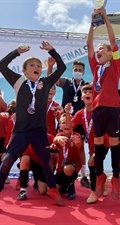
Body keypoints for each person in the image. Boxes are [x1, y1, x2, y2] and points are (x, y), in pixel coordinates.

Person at [0, 41, 67, 214]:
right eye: (32, 65)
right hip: (21, 132)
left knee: (46, 161)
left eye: (38, 65)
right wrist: (17, 51)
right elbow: (1, 65)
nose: (36, 66)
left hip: (39, 132)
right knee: (7, 162)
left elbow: (61, 67)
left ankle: (53, 191)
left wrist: (52, 50)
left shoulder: (45, 83)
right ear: (24, 70)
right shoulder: (17, 81)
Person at [87, 6, 120, 200]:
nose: (99, 51)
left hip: (111, 108)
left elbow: (113, 40)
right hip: (97, 110)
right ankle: (100, 176)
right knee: (98, 144)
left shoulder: (115, 64)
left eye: (103, 49)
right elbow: (89, 44)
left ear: (110, 53)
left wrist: (105, 18)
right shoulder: (95, 68)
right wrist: (92, 24)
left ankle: (116, 178)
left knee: (115, 143)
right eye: (98, 49)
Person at [49, 58, 90, 188]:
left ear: (83, 72)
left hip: (79, 121)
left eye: (80, 70)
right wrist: (50, 66)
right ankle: (56, 174)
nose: (77, 72)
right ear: (72, 70)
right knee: (58, 146)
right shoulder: (66, 82)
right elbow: (52, 79)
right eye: (75, 70)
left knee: (80, 148)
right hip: (64, 120)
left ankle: (83, 176)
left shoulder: (86, 85)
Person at [17, 133, 56, 200]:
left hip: (43, 165)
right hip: (31, 162)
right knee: (25, 158)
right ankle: (23, 190)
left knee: (42, 191)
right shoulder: (26, 137)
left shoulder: (49, 137)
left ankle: (37, 179)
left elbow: (55, 157)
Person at [53, 114, 82, 200]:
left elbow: (79, 144)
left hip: (73, 167)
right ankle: (64, 187)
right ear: (60, 126)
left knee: (67, 169)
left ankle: (71, 185)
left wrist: (77, 142)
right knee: (51, 191)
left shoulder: (76, 135)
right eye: (63, 122)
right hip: (60, 169)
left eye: (68, 122)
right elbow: (55, 140)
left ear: (73, 125)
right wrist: (57, 140)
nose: (66, 125)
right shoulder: (59, 135)